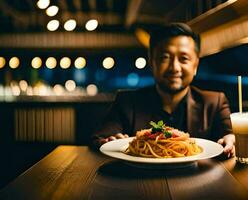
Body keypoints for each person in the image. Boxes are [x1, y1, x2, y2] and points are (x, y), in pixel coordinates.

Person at [92, 23, 235, 157]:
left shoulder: (215, 102)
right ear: (152, 62)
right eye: (164, 57)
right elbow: (99, 139)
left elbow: (229, 136)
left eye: (183, 59)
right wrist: (109, 141)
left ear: (196, 65)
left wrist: (231, 140)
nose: (174, 68)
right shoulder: (127, 102)